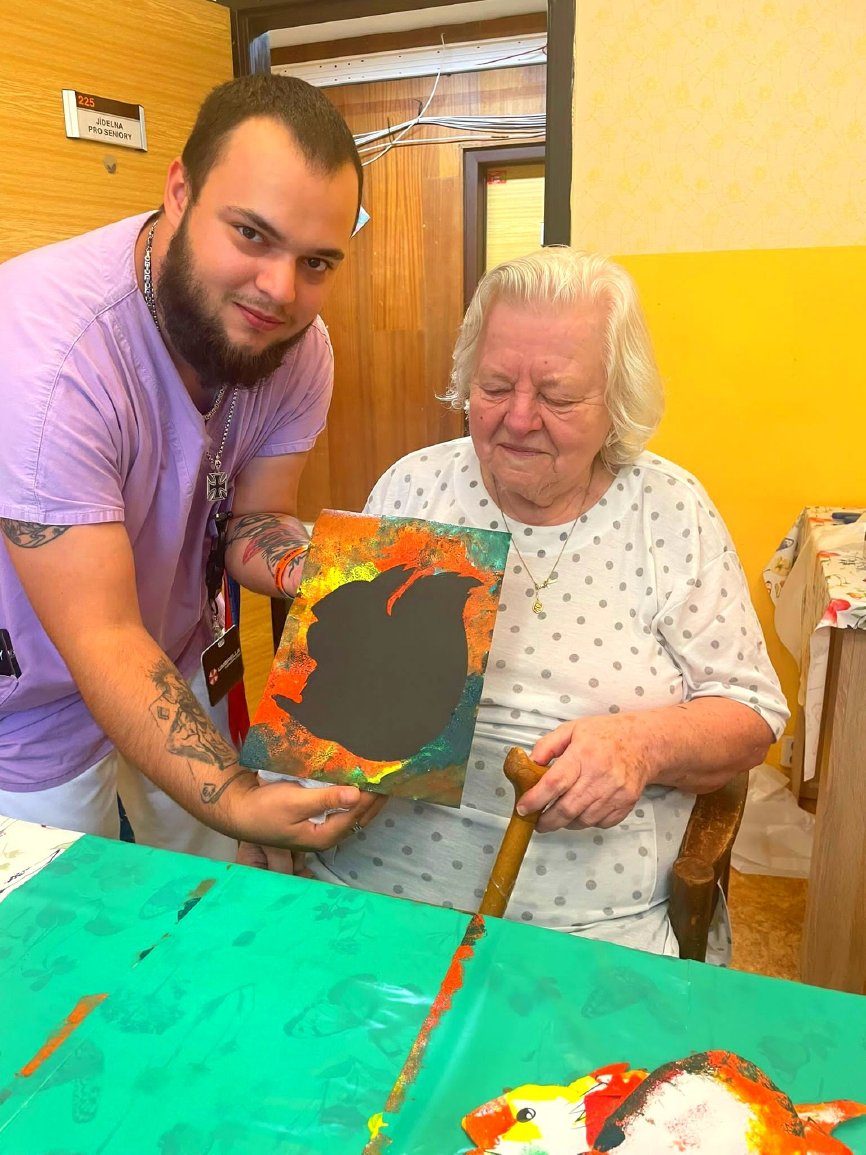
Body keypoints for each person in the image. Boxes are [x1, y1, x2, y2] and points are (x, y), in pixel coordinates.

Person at [309, 248, 789, 957]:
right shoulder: (414, 486)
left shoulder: (669, 510)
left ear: (618, 402)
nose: (519, 418)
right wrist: (283, 803)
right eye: (495, 386)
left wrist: (640, 744)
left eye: (559, 398)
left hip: (588, 928)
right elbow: (330, 692)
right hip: (364, 890)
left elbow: (751, 714)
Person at [0, 75, 383, 859]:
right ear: (179, 191)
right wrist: (237, 796)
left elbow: (255, 517)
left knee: (209, 895)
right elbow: (101, 634)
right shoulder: (47, 354)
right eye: (251, 234)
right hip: (31, 707)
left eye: (316, 261)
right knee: (74, 921)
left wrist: (326, 574)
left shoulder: (299, 349)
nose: (280, 290)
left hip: (174, 657)